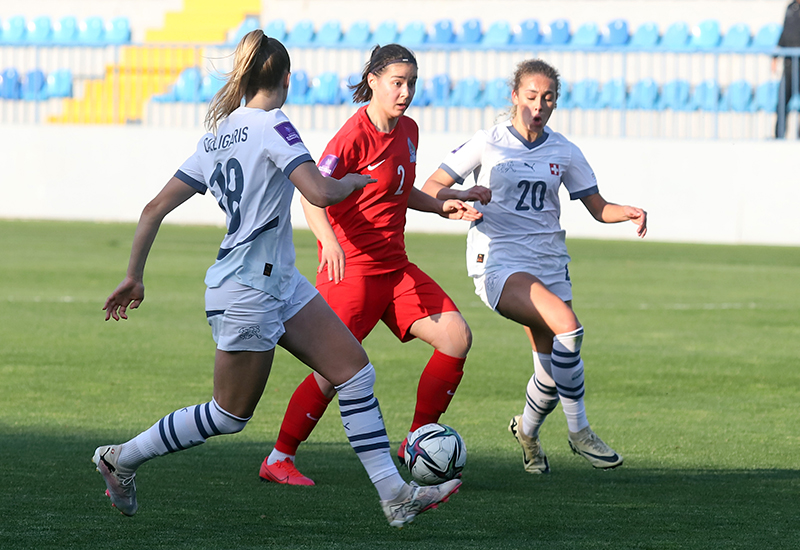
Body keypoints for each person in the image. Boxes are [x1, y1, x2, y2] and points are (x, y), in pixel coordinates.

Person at [94, 30, 460, 528]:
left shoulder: (216, 137)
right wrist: (353, 182)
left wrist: (134, 275)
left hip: (278, 282)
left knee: (354, 372)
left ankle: (396, 496)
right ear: (286, 78)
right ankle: (122, 458)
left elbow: (153, 208)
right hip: (248, 289)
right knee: (229, 415)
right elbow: (320, 192)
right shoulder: (274, 125)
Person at [259, 44, 481, 486]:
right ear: (373, 80)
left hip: (395, 269)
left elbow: (400, 187)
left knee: (456, 338)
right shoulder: (352, 136)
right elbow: (312, 193)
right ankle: (279, 458)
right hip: (352, 271)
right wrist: (328, 242)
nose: (405, 92)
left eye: (411, 83)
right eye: (397, 83)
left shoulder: (409, 130)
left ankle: (417, 439)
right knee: (332, 372)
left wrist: (441, 205)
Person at [421, 59, 647, 474]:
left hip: (550, 262)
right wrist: (461, 197)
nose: (538, 106)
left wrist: (627, 212)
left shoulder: (564, 150)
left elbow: (598, 208)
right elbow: (432, 186)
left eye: (548, 98)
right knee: (569, 327)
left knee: (549, 372)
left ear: (555, 102)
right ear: (515, 96)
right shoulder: (487, 142)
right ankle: (579, 432)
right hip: (500, 261)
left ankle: (526, 432)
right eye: (531, 96)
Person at [773, 0, 800, 138]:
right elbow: (784, 32)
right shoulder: (791, 7)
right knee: (782, 102)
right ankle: (779, 136)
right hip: (789, 64)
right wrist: (775, 56)